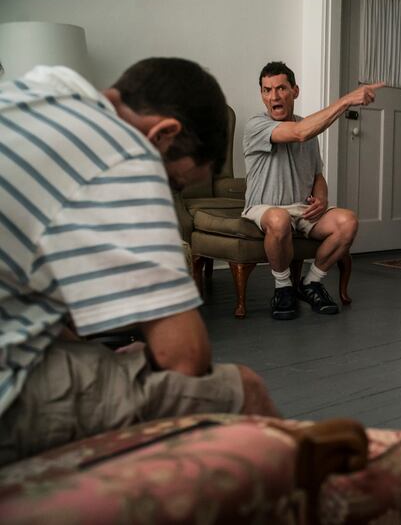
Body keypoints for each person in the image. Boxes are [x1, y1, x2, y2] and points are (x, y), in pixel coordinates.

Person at [0, 58, 278, 465]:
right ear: (163, 134)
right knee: (242, 389)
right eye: (172, 183)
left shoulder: (43, 87)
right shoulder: (127, 150)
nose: (166, 192)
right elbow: (184, 359)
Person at [242, 61, 383, 320]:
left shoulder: (309, 127)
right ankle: (283, 288)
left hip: (302, 209)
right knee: (279, 218)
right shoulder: (256, 126)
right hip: (265, 207)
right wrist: (347, 100)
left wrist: (322, 196)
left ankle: (312, 283)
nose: (274, 96)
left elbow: (317, 173)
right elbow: (298, 133)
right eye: (267, 90)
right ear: (262, 94)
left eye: (281, 88)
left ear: (295, 91)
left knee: (347, 221)